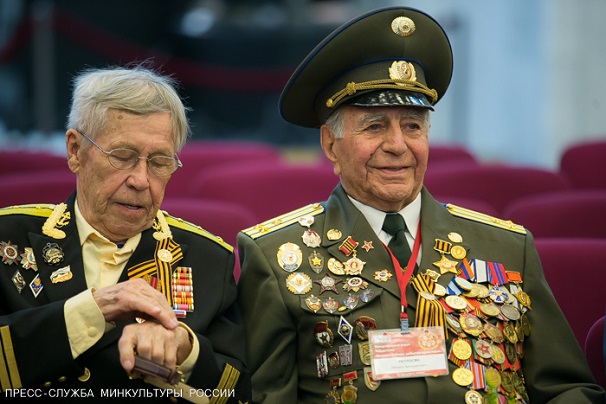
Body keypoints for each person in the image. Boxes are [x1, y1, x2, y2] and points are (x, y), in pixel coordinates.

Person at [236, 6, 605, 403]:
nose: (398, 145)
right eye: (375, 126)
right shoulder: (276, 257)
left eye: (412, 125)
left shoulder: (508, 248)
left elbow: (568, 389)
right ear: (330, 145)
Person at [0, 64, 250, 403]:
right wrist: (92, 311)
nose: (141, 180)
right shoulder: (8, 240)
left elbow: (239, 394)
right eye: (122, 156)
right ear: (75, 151)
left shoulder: (209, 260)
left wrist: (187, 351)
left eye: (159, 162)